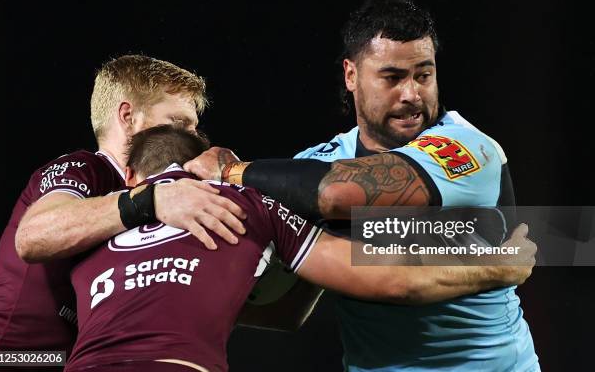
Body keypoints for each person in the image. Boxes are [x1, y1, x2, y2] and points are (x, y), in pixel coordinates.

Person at [188, 0, 539, 371]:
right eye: (392, 77)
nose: (412, 94)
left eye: (424, 74)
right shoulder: (314, 167)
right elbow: (285, 311)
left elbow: (340, 195)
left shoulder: (469, 148)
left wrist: (229, 171)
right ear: (351, 75)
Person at [64, 125, 534, 372]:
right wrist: (499, 268)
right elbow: (389, 278)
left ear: (130, 176)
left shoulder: (88, 227)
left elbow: (286, 311)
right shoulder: (246, 205)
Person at [0, 55, 246, 356]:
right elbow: (32, 236)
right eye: (178, 123)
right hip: (10, 359)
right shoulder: (84, 169)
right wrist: (152, 198)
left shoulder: (165, 202)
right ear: (128, 117)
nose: (192, 138)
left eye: (193, 128)